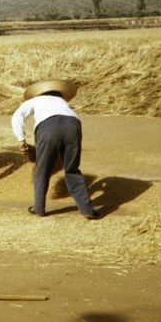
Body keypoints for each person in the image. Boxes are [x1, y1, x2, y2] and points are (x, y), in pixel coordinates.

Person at [11, 79, 101, 220]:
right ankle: (87, 209)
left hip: (48, 126)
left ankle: (39, 208)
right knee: (72, 169)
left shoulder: (36, 100)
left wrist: (21, 139)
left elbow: (17, 116)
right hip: (73, 124)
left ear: (39, 93)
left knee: (42, 169)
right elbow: (64, 119)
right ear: (58, 93)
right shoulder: (64, 103)